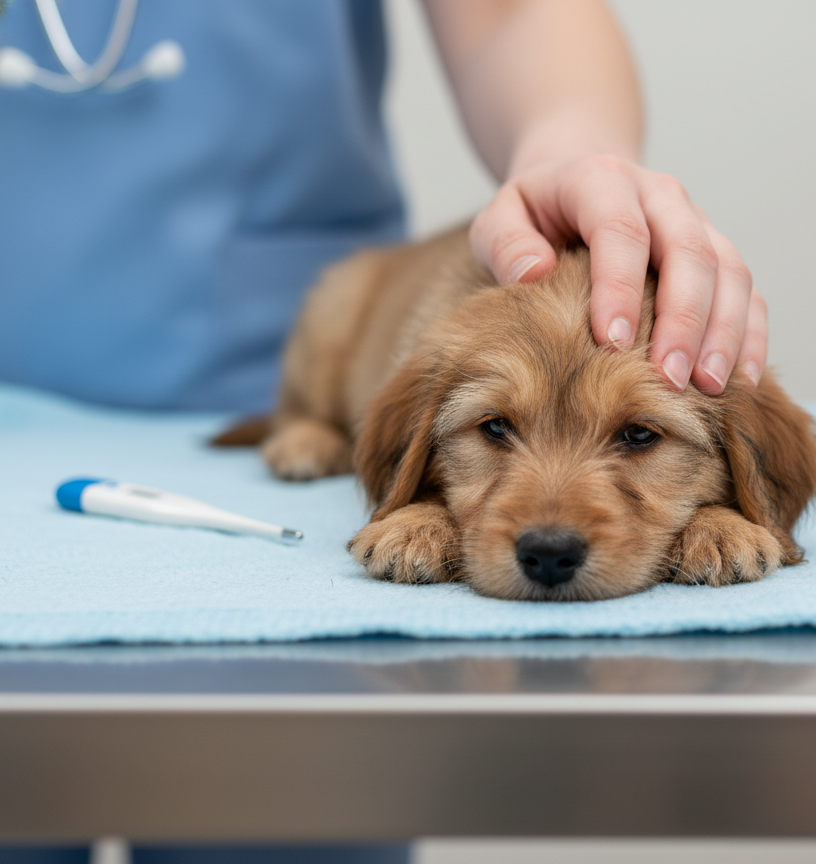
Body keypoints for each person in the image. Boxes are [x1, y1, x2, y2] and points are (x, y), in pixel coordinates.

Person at [0, 0, 765, 860]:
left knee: (286, 820)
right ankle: (306, 413)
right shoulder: (419, 395)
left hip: (231, 352)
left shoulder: (720, 421)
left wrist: (569, 157)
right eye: (496, 431)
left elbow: (513, 15)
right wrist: (418, 501)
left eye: (636, 438)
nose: (552, 522)